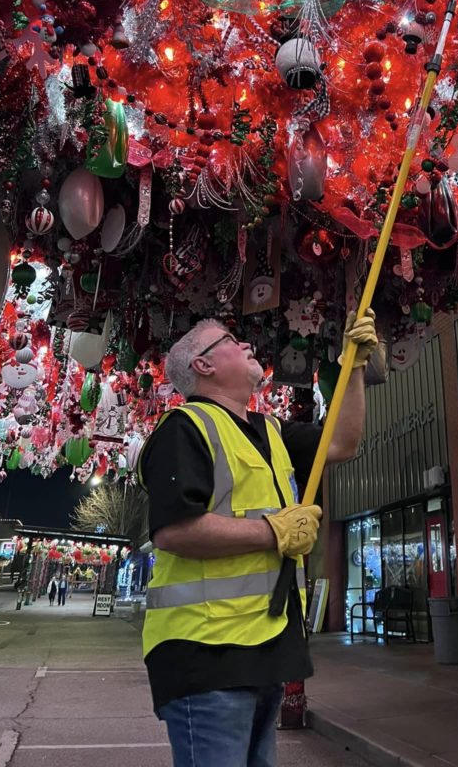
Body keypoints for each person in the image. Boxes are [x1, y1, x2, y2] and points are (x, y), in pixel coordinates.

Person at [138, 311, 377, 767]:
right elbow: (173, 531)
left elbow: (342, 443)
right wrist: (274, 532)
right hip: (206, 651)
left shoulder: (270, 431)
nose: (247, 344)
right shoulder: (184, 428)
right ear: (203, 366)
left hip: (263, 648)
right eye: (229, 339)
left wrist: (355, 366)